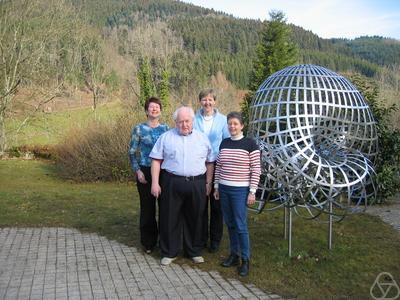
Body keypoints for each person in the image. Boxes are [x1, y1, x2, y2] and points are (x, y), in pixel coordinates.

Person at [150, 106, 215, 266]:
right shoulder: (166, 138)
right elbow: (156, 161)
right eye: (180, 122)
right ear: (175, 122)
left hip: (197, 183)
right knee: (169, 217)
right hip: (172, 182)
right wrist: (155, 182)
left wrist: (208, 182)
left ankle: (194, 251)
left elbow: (210, 162)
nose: (184, 125)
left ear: (192, 121)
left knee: (196, 217)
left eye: (187, 121)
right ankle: (169, 252)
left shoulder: (202, 138)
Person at [213, 111, 261, 277]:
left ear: (242, 126)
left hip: (240, 191)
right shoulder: (224, 143)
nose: (232, 126)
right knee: (230, 223)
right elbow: (218, 167)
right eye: (230, 123)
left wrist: (252, 192)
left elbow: (256, 170)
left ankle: (245, 260)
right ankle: (234, 255)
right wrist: (216, 187)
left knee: (240, 225)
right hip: (224, 189)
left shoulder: (250, 144)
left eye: (235, 123)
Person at [128, 97, 169, 254]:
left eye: (157, 107)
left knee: (165, 208)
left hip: (164, 172)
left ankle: (165, 241)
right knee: (147, 209)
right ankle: (148, 243)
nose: (154, 109)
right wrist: (137, 170)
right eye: (151, 107)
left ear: (160, 110)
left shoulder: (166, 129)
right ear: (146, 110)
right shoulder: (138, 129)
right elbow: (132, 152)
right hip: (145, 171)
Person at [193, 89, 230, 253]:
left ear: (215, 101)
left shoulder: (223, 120)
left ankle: (215, 240)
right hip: (199, 165)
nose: (207, 103)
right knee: (200, 205)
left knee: (217, 206)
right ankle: (200, 239)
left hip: (218, 165)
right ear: (200, 101)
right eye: (204, 100)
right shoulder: (193, 119)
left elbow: (227, 142)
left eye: (210, 100)